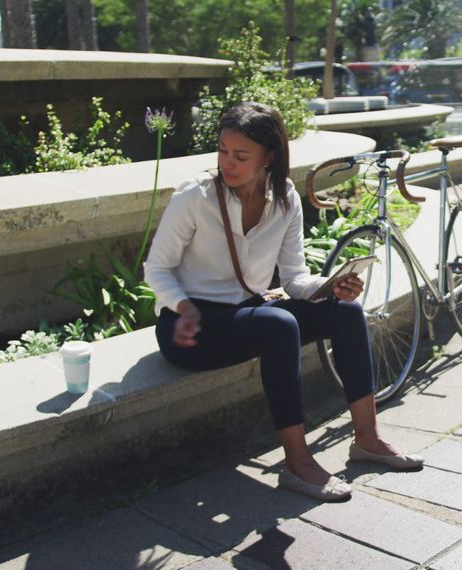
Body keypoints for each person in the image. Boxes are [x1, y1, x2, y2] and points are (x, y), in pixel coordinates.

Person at [145, 101, 422, 502]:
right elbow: (157, 268)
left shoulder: (286, 198)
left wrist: (331, 286)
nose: (228, 162)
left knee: (345, 312)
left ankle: (367, 439)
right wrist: (184, 308)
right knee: (279, 325)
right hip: (189, 326)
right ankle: (297, 463)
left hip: (247, 316)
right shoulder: (197, 196)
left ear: (268, 157)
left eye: (241, 155)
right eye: (223, 151)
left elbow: (294, 280)